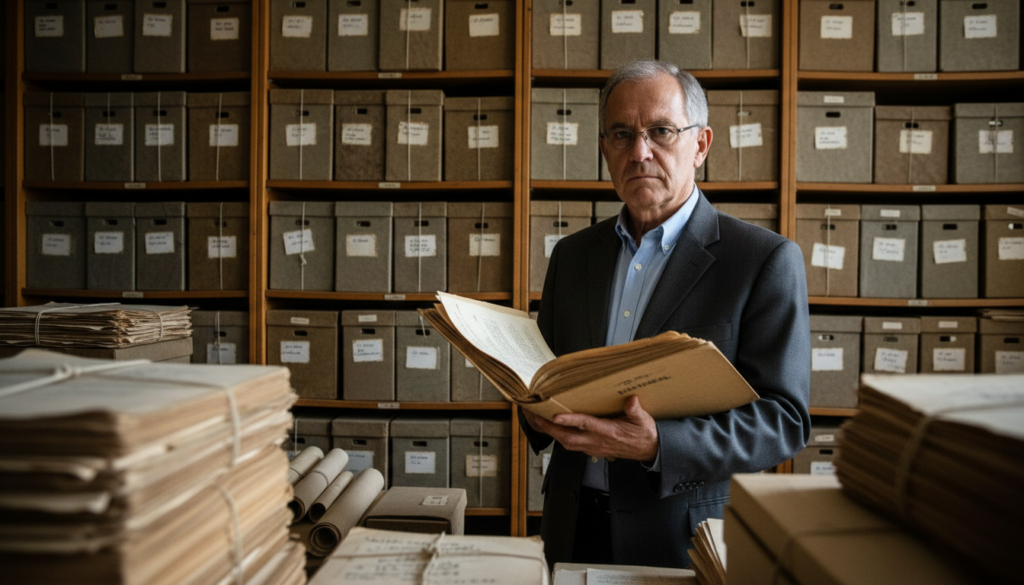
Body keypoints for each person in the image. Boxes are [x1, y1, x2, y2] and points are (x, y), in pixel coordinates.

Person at [521, 60, 811, 569]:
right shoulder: (572, 256)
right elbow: (545, 375)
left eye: (661, 131)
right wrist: (531, 408)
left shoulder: (762, 259)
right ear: (604, 149)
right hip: (570, 528)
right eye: (620, 134)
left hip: (679, 535)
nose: (640, 152)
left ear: (700, 145)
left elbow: (783, 421)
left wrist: (660, 443)